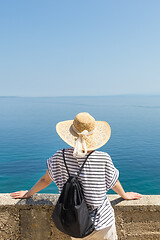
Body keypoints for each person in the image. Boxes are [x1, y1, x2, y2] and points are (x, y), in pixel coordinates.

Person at [10, 112, 142, 240]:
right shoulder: (103, 158)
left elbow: (45, 180)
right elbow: (114, 182)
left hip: (76, 223)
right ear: (94, 136)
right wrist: (124, 195)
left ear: (71, 135)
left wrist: (28, 194)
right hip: (103, 223)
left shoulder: (59, 157)